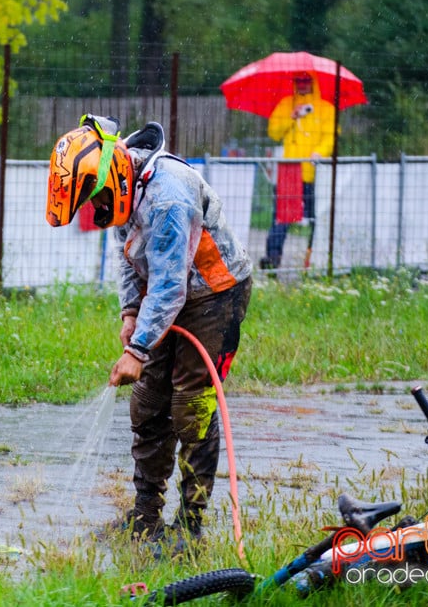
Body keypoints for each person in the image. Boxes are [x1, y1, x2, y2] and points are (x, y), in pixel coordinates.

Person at [46, 114, 252, 549]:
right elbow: (127, 256)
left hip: (214, 295)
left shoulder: (168, 197)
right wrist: (129, 312)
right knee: (148, 403)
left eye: (97, 196)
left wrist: (138, 349)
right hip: (168, 294)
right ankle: (145, 517)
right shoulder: (123, 190)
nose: (97, 206)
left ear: (113, 175)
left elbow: (170, 284)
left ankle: (191, 526)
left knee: (190, 406)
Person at [260, 72, 335, 269]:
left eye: (306, 80)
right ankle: (272, 261)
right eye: (298, 80)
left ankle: (312, 262)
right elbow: (274, 132)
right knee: (282, 219)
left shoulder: (326, 109)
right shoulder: (286, 104)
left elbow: (331, 137)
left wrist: (319, 152)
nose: (302, 84)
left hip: (315, 175)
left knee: (316, 221)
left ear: (313, 82)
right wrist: (291, 117)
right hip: (290, 173)